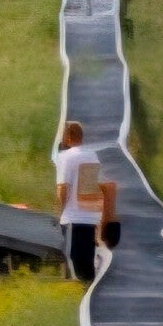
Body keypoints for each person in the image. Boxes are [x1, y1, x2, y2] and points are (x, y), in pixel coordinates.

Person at [55, 121, 116, 283]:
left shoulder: (66, 158)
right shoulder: (92, 156)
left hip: (72, 217)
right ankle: (89, 287)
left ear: (68, 137)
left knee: (74, 257)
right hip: (89, 216)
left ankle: (85, 289)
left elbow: (63, 188)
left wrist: (61, 211)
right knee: (87, 260)